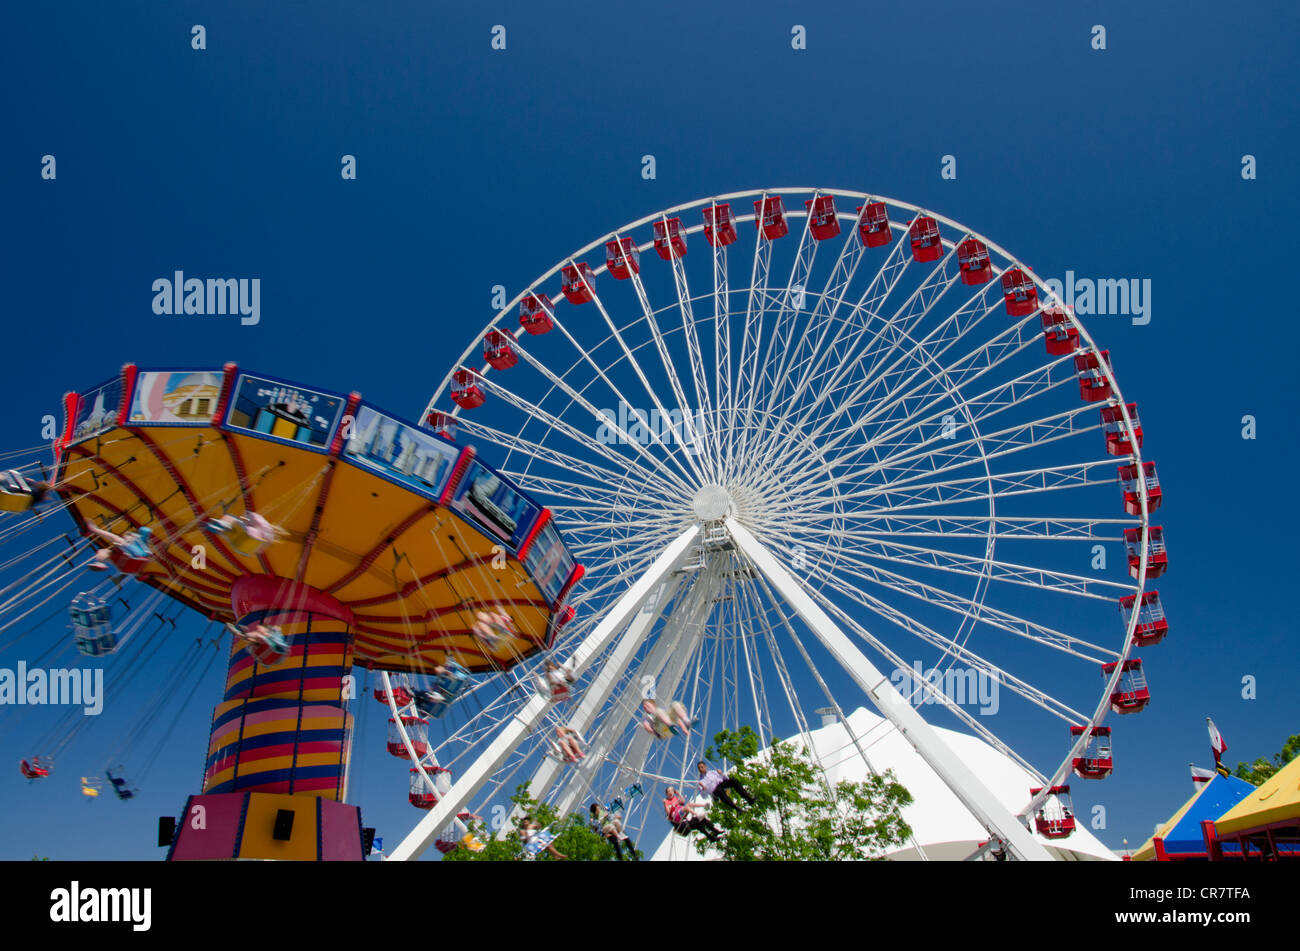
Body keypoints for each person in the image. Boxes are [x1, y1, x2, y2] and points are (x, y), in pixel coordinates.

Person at [86, 524, 153, 571]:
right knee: (104, 550)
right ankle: (100, 562)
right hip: (132, 559)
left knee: (118, 540)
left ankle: (100, 561)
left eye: (127, 536)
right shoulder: (134, 545)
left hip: (136, 556)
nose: (125, 537)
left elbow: (114, 538)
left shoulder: (137, 541)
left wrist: (95, 529)